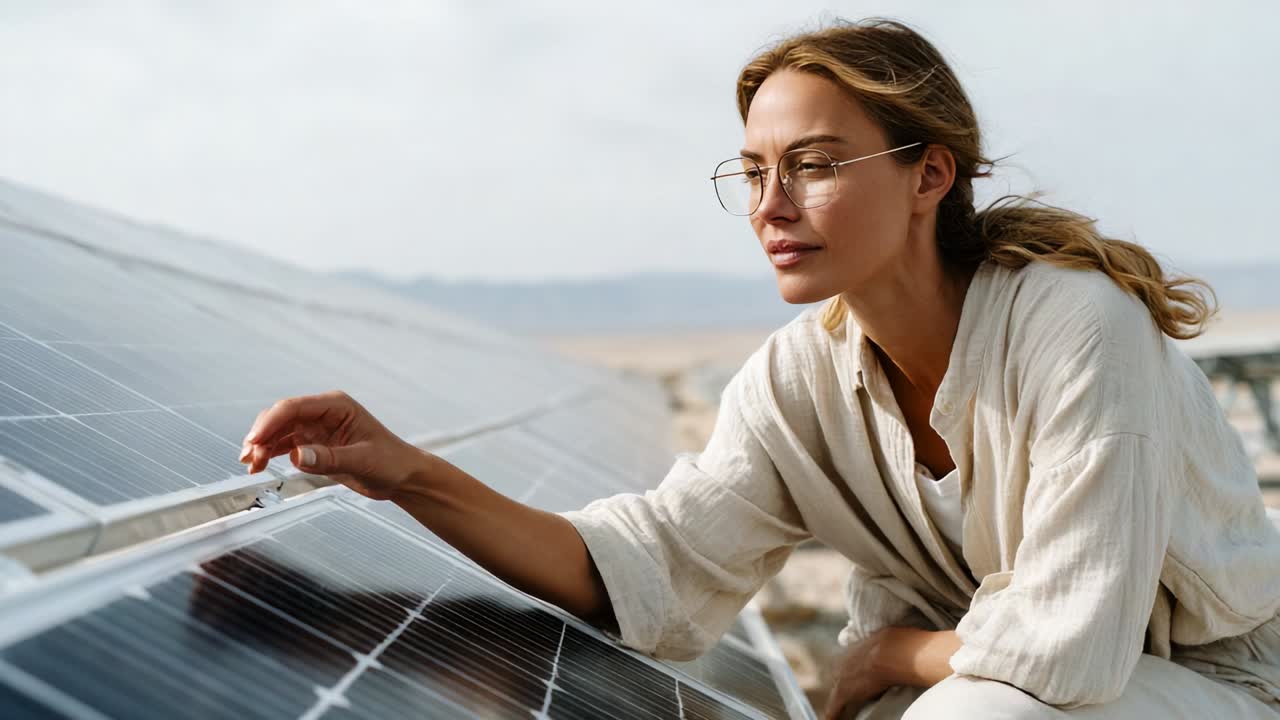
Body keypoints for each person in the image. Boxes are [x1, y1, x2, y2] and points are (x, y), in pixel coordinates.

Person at [238, 18, 1280, 719]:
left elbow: (1068, 650)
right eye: (752, 172)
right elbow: (648, 568)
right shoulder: (799, 379)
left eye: (815, 166)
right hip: (1007, 686)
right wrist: (405, 472)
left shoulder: (1072, 327)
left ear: (929, 174)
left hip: (1212, 684)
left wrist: (887, 656)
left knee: (970, 707)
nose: (771, 205)